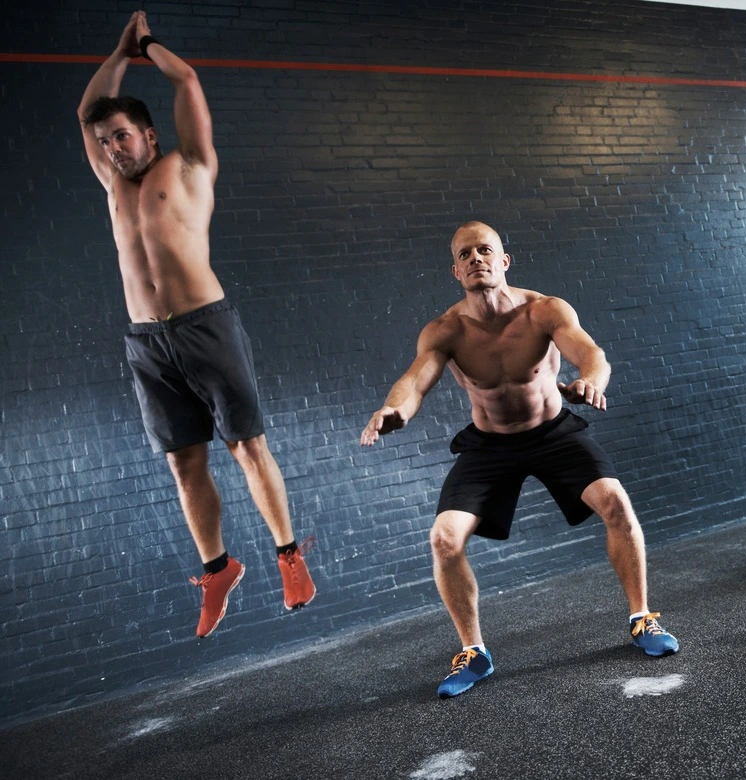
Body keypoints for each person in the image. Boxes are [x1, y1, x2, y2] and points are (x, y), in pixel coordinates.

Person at [361, 220, 679, 698]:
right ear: (455, 270)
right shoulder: (445, 330)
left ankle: (642, 618)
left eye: (484, 250)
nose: (476, 259)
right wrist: (395, 409)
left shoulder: (543, 311)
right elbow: (414, 379)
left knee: (615, 504)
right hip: (490, 444)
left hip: (553, 433)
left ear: (504, 260)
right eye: (465, 255)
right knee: (444, 540)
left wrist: (592, 380)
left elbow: (591, 353)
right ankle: (474, 652)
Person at [77, 11, 315, 638]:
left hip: (206, 325)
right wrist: (115, 56)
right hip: (147, 342)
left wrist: (142, 44)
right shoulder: (112, 185)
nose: (112, 148)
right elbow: (88, 110)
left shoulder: (191, 167)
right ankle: (217, 568)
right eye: (105, 142)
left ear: (149, 135)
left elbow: (186, 83)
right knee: (185, 464)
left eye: (122, 137)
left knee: (245, 446)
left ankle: (289, 555)